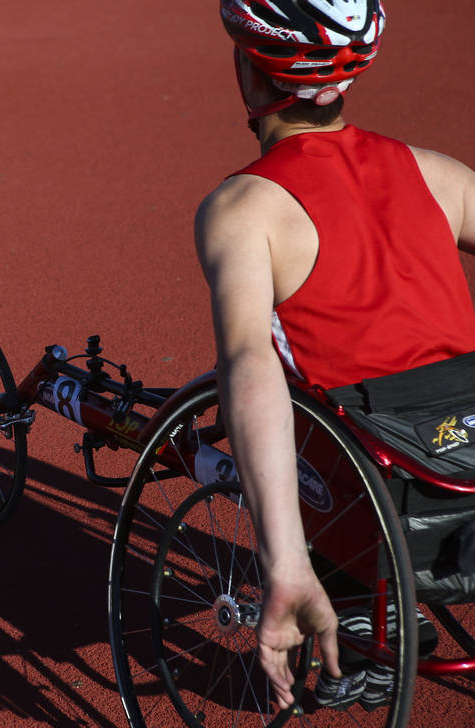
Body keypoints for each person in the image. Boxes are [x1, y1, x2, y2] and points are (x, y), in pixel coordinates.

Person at [195, 0, 475, 712]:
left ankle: (347, 596)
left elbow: (249, 366)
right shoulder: (437, 174)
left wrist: (283, 560)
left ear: (249, 75)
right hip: (465, 476)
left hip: (375, 505)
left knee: (281, 390)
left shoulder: (245, 208)